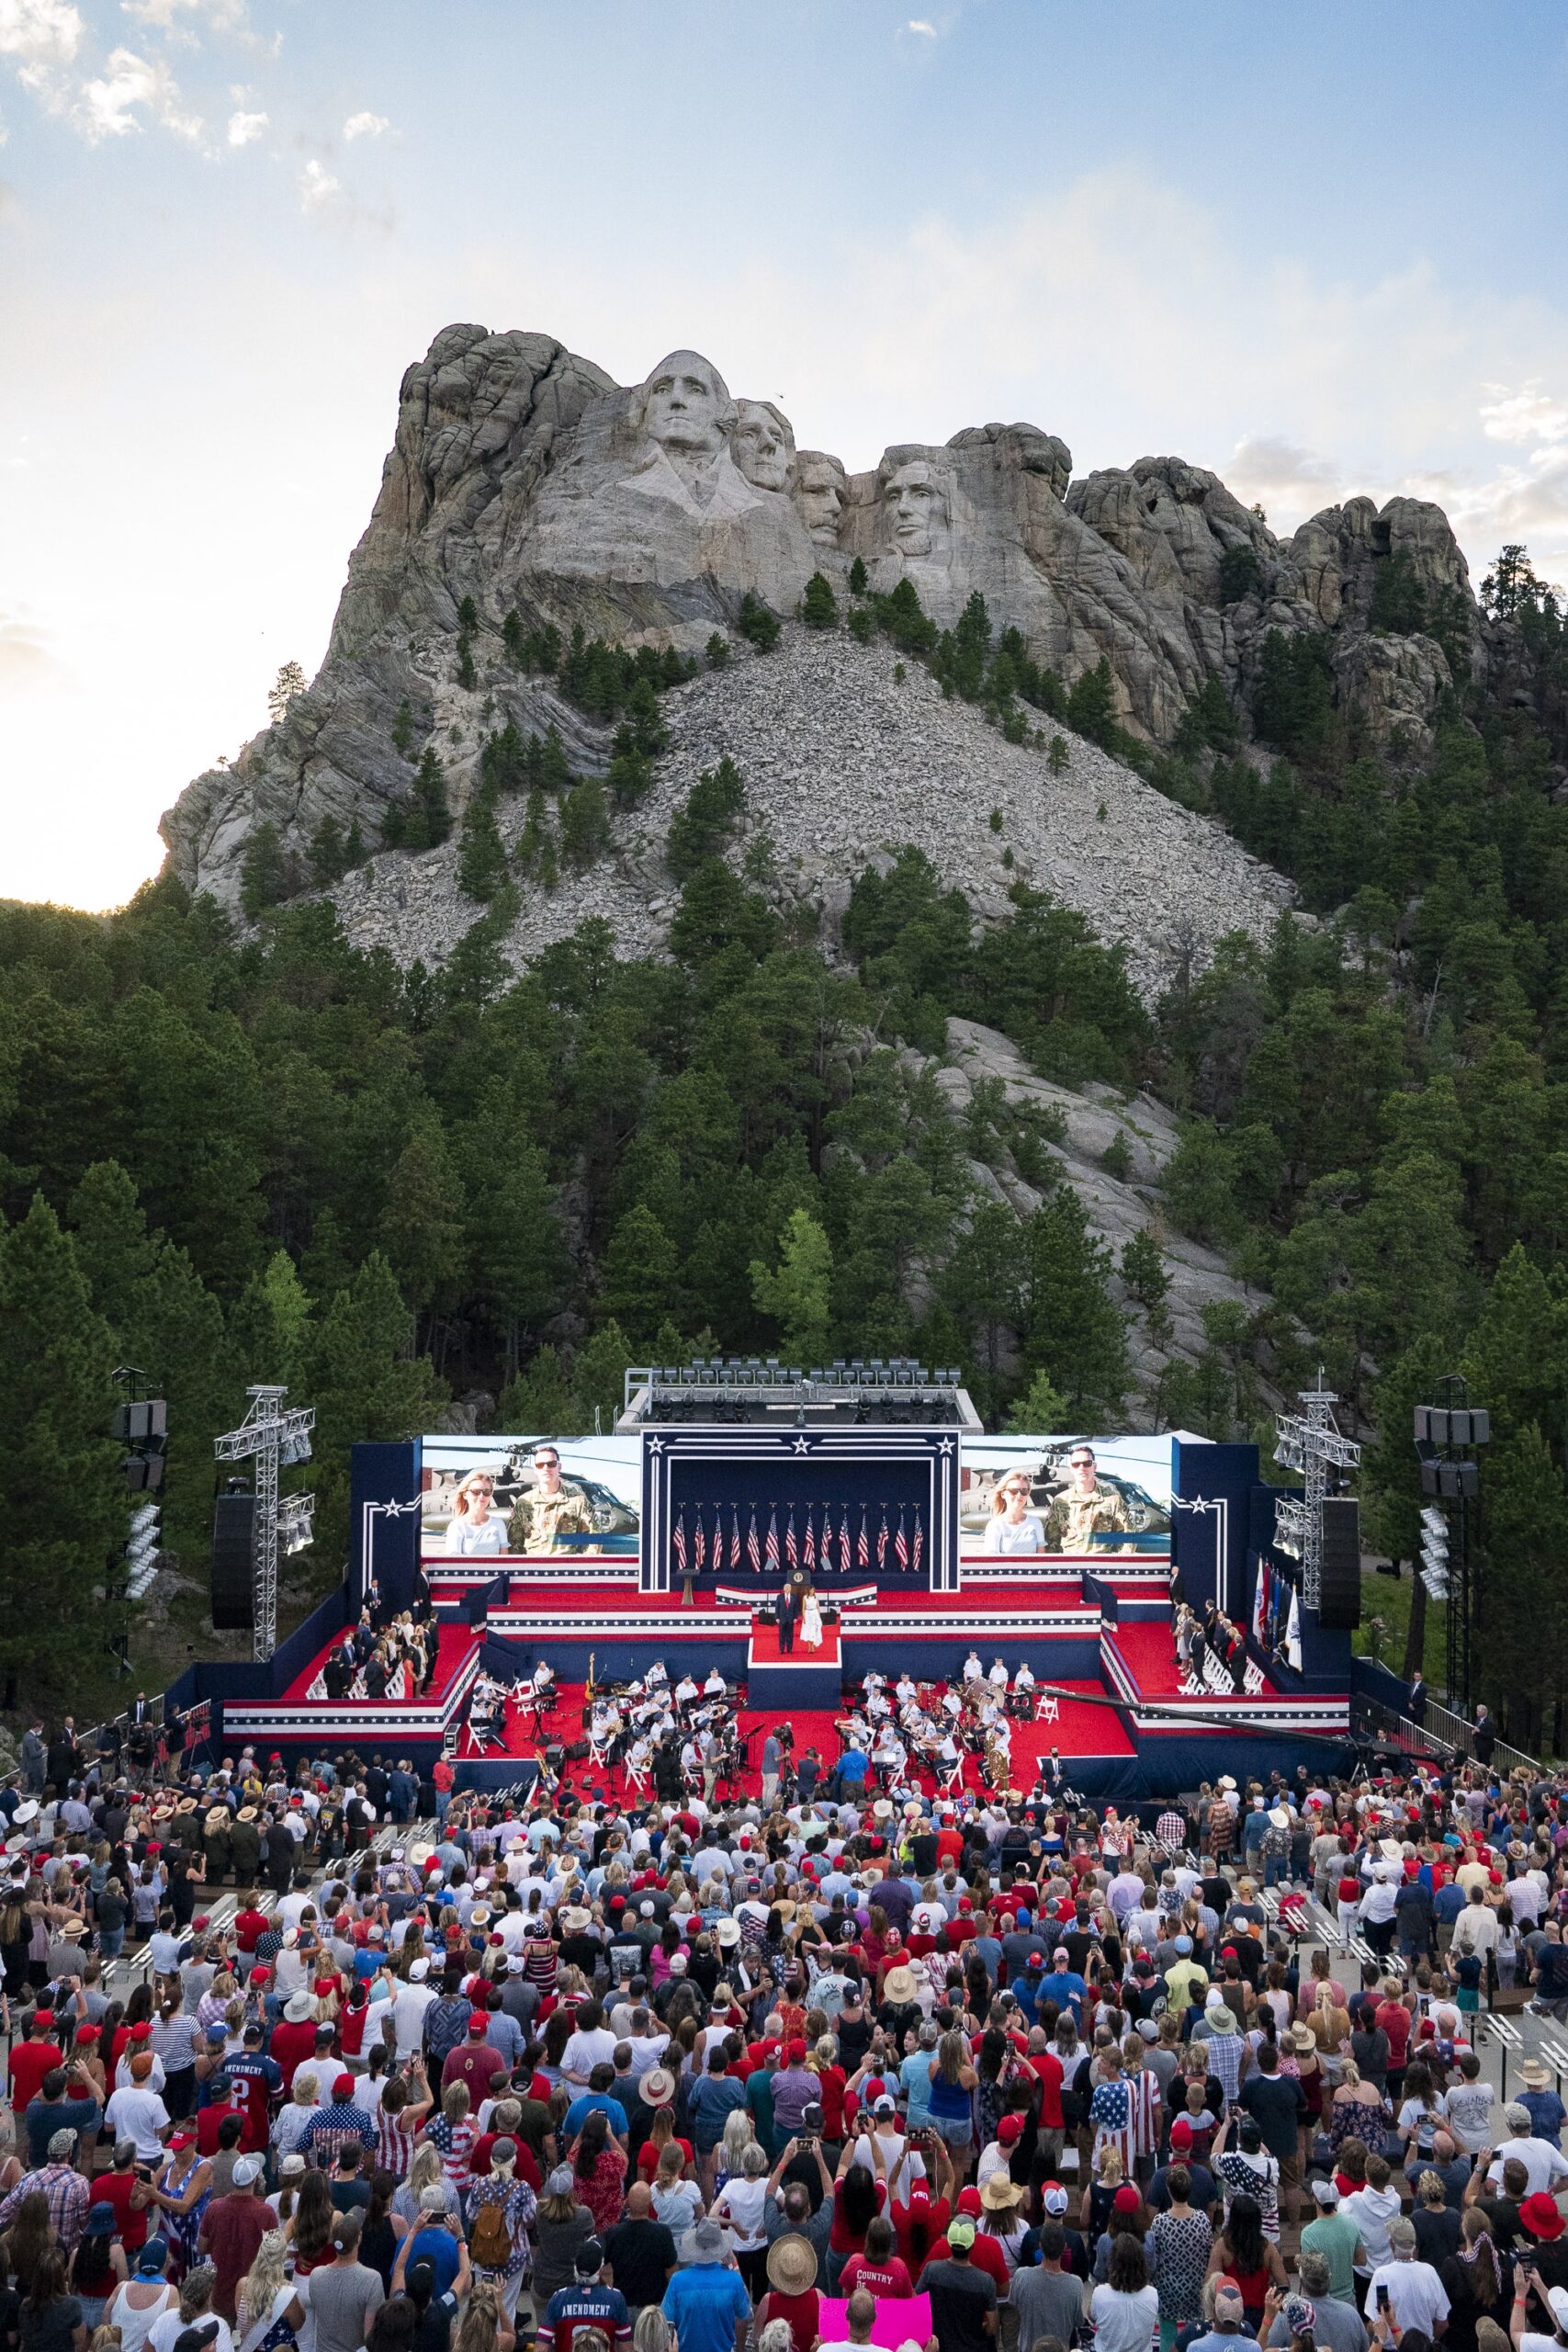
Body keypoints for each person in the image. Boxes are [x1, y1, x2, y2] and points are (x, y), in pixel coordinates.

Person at [659, 2222, 750, 2352]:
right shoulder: (734, 2281)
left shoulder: (677, 2281)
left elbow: (667, 2323)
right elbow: (743, 2316)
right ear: (721, 2248)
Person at [507, 1452, 593, 1556]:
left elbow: (593, 1538)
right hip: (532, 1567)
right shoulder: (523, 1502)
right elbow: (514, 1543)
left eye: (551, 1464)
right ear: (535, 1469)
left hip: (564, 1567)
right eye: (540, 1465)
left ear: (559, 1467)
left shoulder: (578, 1501)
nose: (546, 1468)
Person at [444, 1473, 511, 1557]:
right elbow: (452, 1563)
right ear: (465, 1494)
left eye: (487, 1492)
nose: (481, 1496)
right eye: (476, 1492)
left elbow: (504, 1561)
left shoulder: (498, 1524)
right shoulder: (457, 1526)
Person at [982, 1471, 1045, 1557]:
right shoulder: (995, 1525)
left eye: (1024, 1491)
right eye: (1013, 1491)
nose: (1019, 1495)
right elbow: (992, 1562)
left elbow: (1041, 1559)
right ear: (1003, 1494)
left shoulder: (1036, 1523)